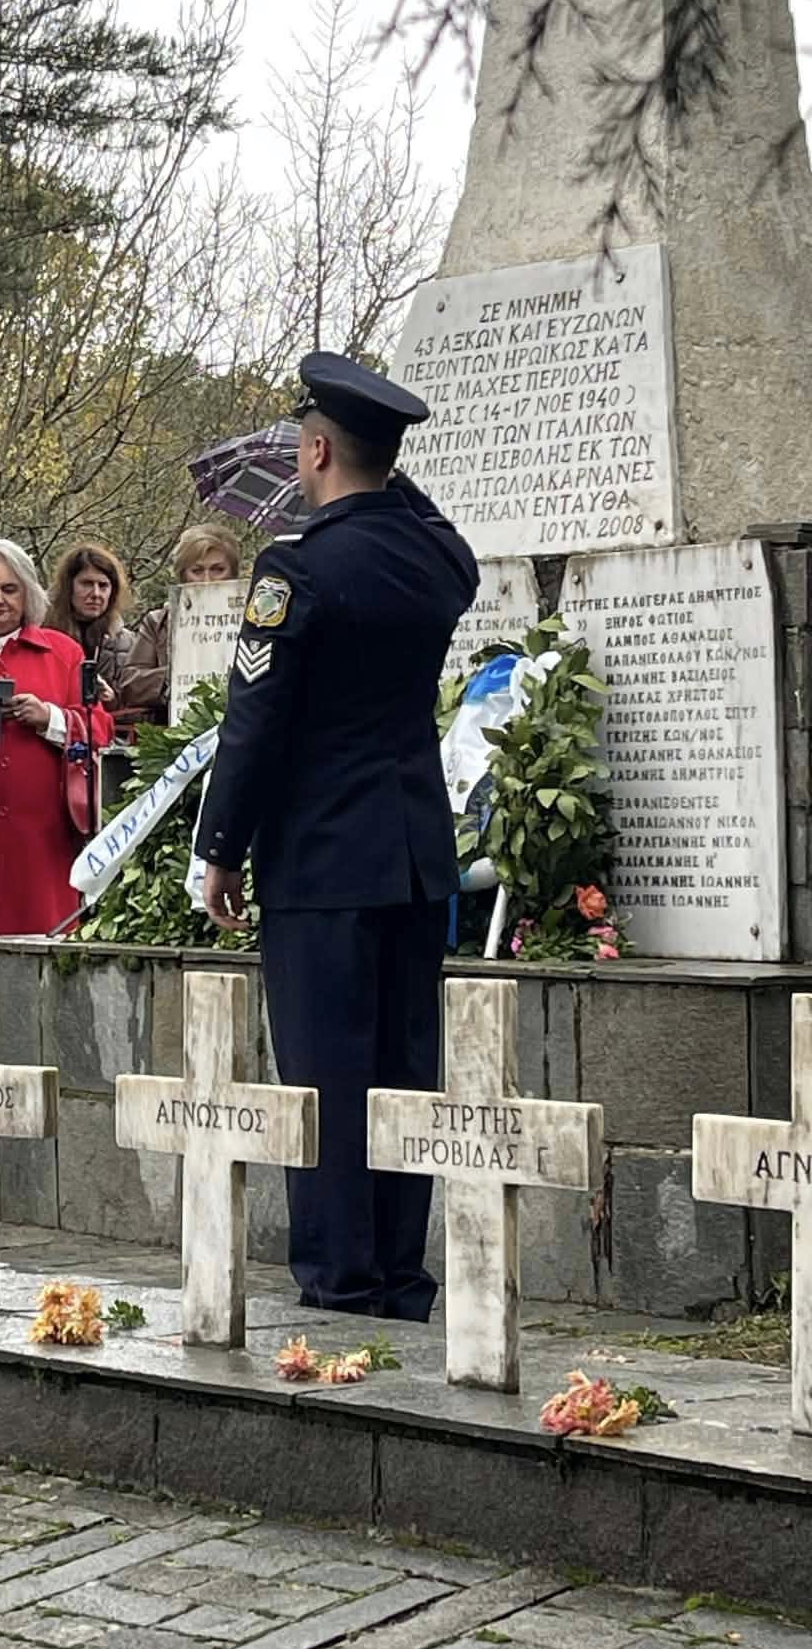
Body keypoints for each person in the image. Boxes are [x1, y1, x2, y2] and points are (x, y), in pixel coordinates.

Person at [197, 352, 478, 1322]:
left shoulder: (297, 568)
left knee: (326, 1072)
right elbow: (436, 527)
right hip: (411, 858)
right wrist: (385, 459)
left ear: (314, 449)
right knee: (405, 1073)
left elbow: (254, 723)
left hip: (320, 861)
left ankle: (339, 1277)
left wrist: (220, 846)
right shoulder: (439, 563)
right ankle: (401, 1272)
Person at [0, 540, 114, 938]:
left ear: (28, 592)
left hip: (43, 839)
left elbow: (99, 731)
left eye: (9, 589)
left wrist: (50, 718)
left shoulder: (63, 652)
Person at [119, 524, 243, 724]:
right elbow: (131, 685)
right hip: (175, 734)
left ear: (233, 572)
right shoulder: (158, 621)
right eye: (197, 570)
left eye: (218, 570)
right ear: (183, 574)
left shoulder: (253, 620)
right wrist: (179, 674)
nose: (207, 580)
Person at [43, 543, 135, 703]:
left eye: (103, 586)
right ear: (68, 586)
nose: (96, 594)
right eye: (86, 584)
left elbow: (136, 707)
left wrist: (111, 699)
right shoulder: (42, 634)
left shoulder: (125, 642)